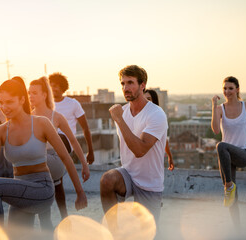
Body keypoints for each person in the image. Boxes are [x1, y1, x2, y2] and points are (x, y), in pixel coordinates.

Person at [0, 77, 87, 230]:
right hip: (20, 190)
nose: (4, 107)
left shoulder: (42, 123)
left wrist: (80, 192)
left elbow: (65, 158)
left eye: (9, 102)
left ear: (22, 100)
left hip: (42, 189)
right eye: (1, 102)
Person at [100, 65, 168, 225]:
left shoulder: (156, 114)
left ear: (142, 85)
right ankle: (113, 231)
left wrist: (120, 120)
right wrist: (121, 118)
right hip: (128, 175)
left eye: (130, 83)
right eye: (123, 84)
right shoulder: (121, 112)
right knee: (107, 180)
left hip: (150, 183)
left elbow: (139, 150)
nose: (125, 88)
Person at [28, 76, 90, 222]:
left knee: (52, 187)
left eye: (34, 93)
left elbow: (73, 141)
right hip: (38, 165)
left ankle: (63, 218)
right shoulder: (28, 117)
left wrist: (84, 165)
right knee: (46, 203)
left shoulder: (56, 117)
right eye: (29, 93)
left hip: (54, 160)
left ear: (44, 95)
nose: (30, 96)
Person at [211, 76, 246, 207]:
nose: (227, 91)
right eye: (224, 88)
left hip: (244, 153)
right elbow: (216, 131)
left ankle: (229, 185)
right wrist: (214, 107)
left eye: (230, 88)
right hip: (227, 157)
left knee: (220, 145)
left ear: (237, 89)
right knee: (231, 199)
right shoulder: (220, 109)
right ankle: (236, 227)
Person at [49, 72, 94, 165]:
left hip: (67, 144)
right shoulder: (46, 105)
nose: (53, 89)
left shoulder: (73, 104)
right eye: (51, 86)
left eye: (56, 86)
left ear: (62, 88)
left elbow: (85, 128)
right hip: (49, 145)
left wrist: (91, 151)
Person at [144, 89, 174, 171]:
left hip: (154, 163)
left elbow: (164, 138)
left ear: (154, 101)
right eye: (144, 99)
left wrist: (169, 156)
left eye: (149, 99)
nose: (146, 101)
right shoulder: (139, 117)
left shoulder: (158, 117)